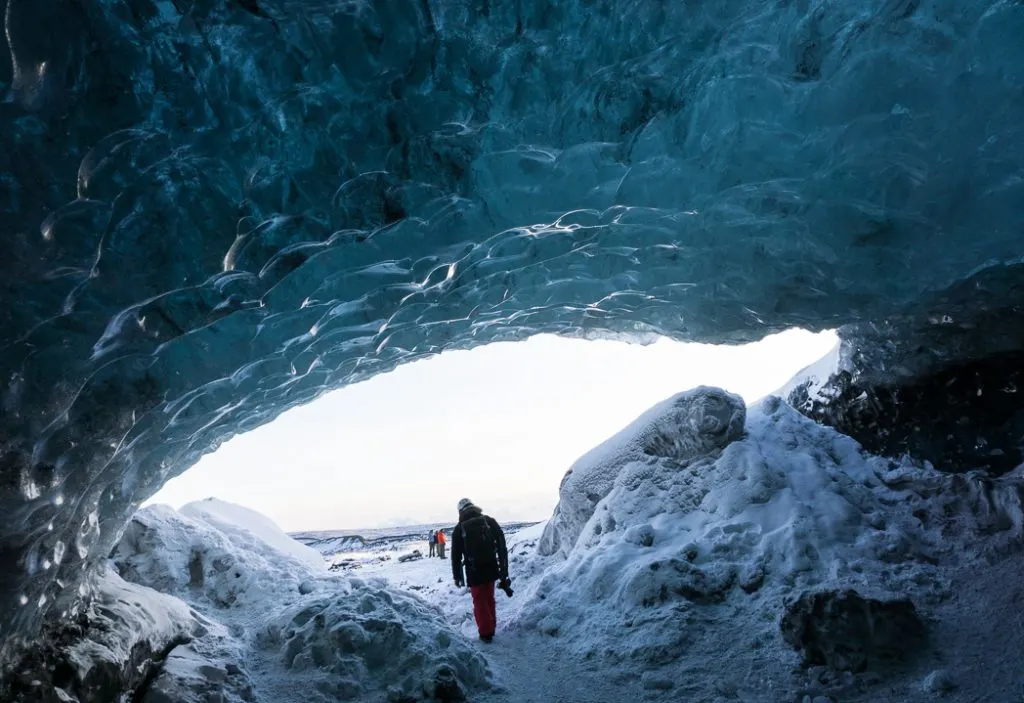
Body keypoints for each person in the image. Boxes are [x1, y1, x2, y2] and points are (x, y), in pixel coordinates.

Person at [451, 498, 508, 643]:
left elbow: (455, 555)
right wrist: (503, 568)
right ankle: (491, 627)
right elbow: (501, 541)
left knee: (479, 601)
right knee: (489, 598)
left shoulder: (459, 529)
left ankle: (485, 633)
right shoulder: (488, 521)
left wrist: (457, 576)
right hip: (491, 566)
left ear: (460, 511)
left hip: (474, 571)